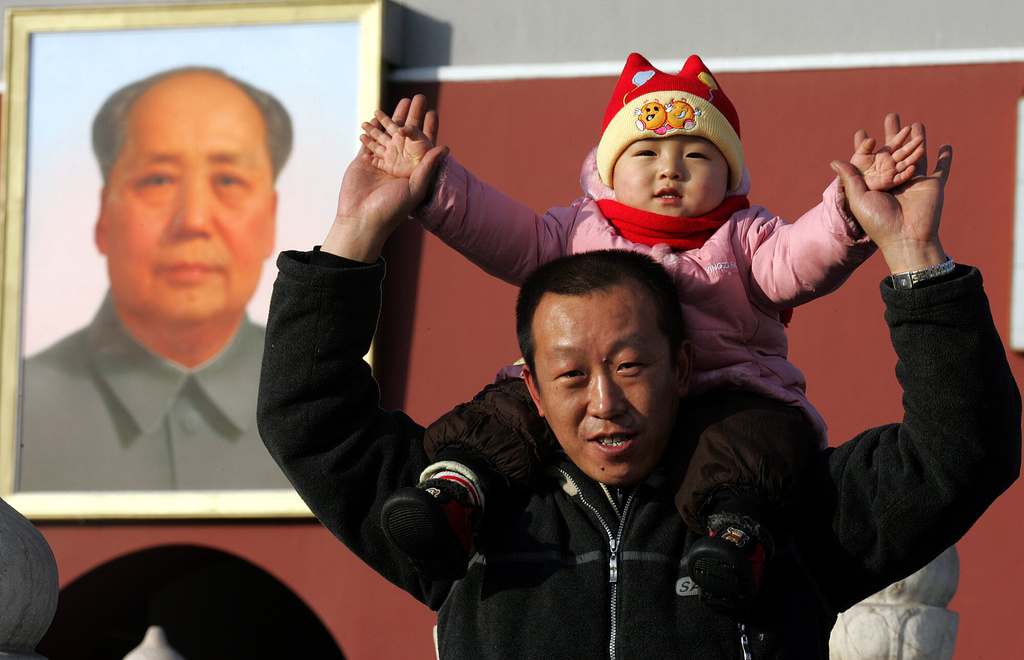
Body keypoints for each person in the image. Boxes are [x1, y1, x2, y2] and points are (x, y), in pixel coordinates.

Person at [256, 105, 1020, 657]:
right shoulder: (467, 520)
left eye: (629, 366)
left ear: (682, 365)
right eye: (570, 375)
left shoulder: (789, 513)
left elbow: (964, 448)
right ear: (529, 381)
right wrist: (355, 233)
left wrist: (914, 253)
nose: (603, 403)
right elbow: (309, 418)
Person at [360, 54, 924, 613]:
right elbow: (499, 229)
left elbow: (803, 257)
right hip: (591, 397)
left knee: (759, 441)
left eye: (697, 154)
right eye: (647, 152)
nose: (669, 170)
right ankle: (457, 494)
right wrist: (434, 185)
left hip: (723, 394)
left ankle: (737, 535)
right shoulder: (576, 230)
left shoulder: (747, 239)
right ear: (607, 169)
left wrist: (849, 211)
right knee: (508, 410)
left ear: (729, 173)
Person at [18, 67, 294, 491]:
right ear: (103, 216)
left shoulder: (318, 401)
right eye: (158, 179)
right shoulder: (18, 407)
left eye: (228, 180)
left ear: (271, 219)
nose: (194, 220)